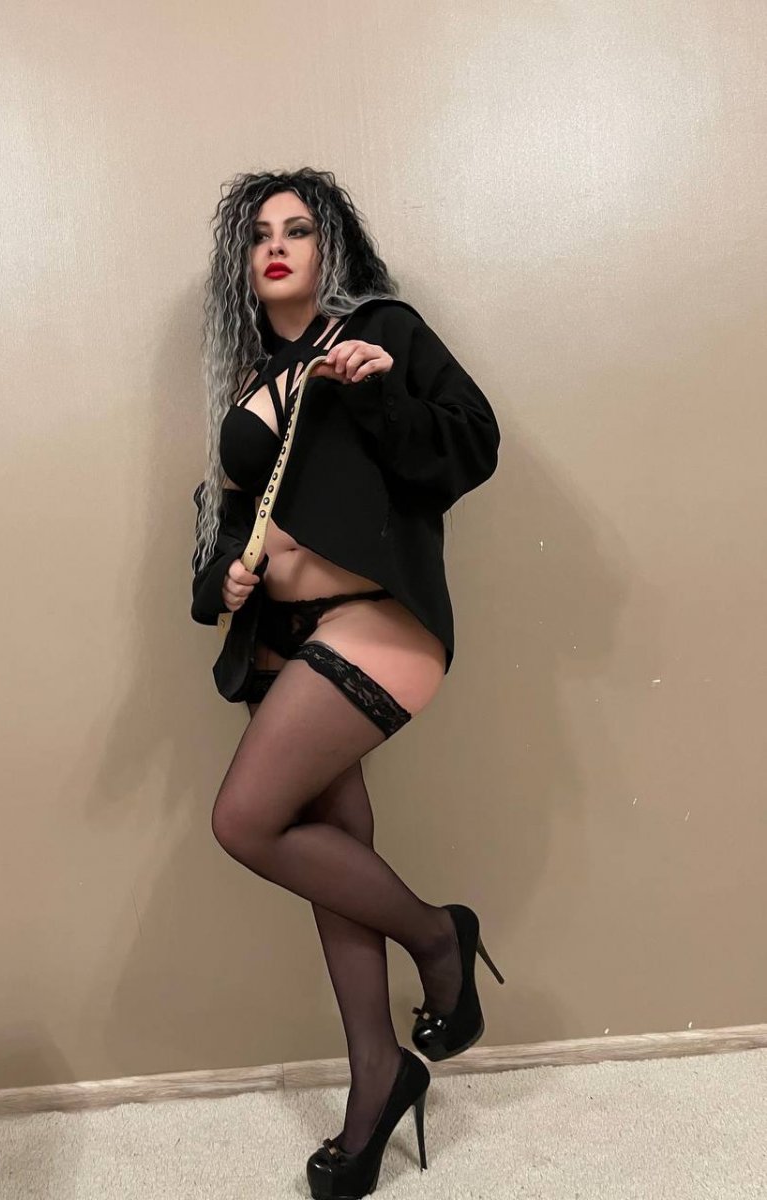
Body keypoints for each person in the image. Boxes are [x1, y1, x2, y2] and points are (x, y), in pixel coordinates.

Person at [190, 168, 505, 1198]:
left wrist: (377, 392)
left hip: (374, 619)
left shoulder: (379, 330)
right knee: (333, 864)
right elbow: (226, 515)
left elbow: (470, 446)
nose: (278, 246)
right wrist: (222, 577)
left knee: (245, 821)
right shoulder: (248, 377)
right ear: (243, 263)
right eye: (260, 235)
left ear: (330, 247)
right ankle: (379, 1081)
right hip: (282, 641)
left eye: (299, 229)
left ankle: (439, 936)